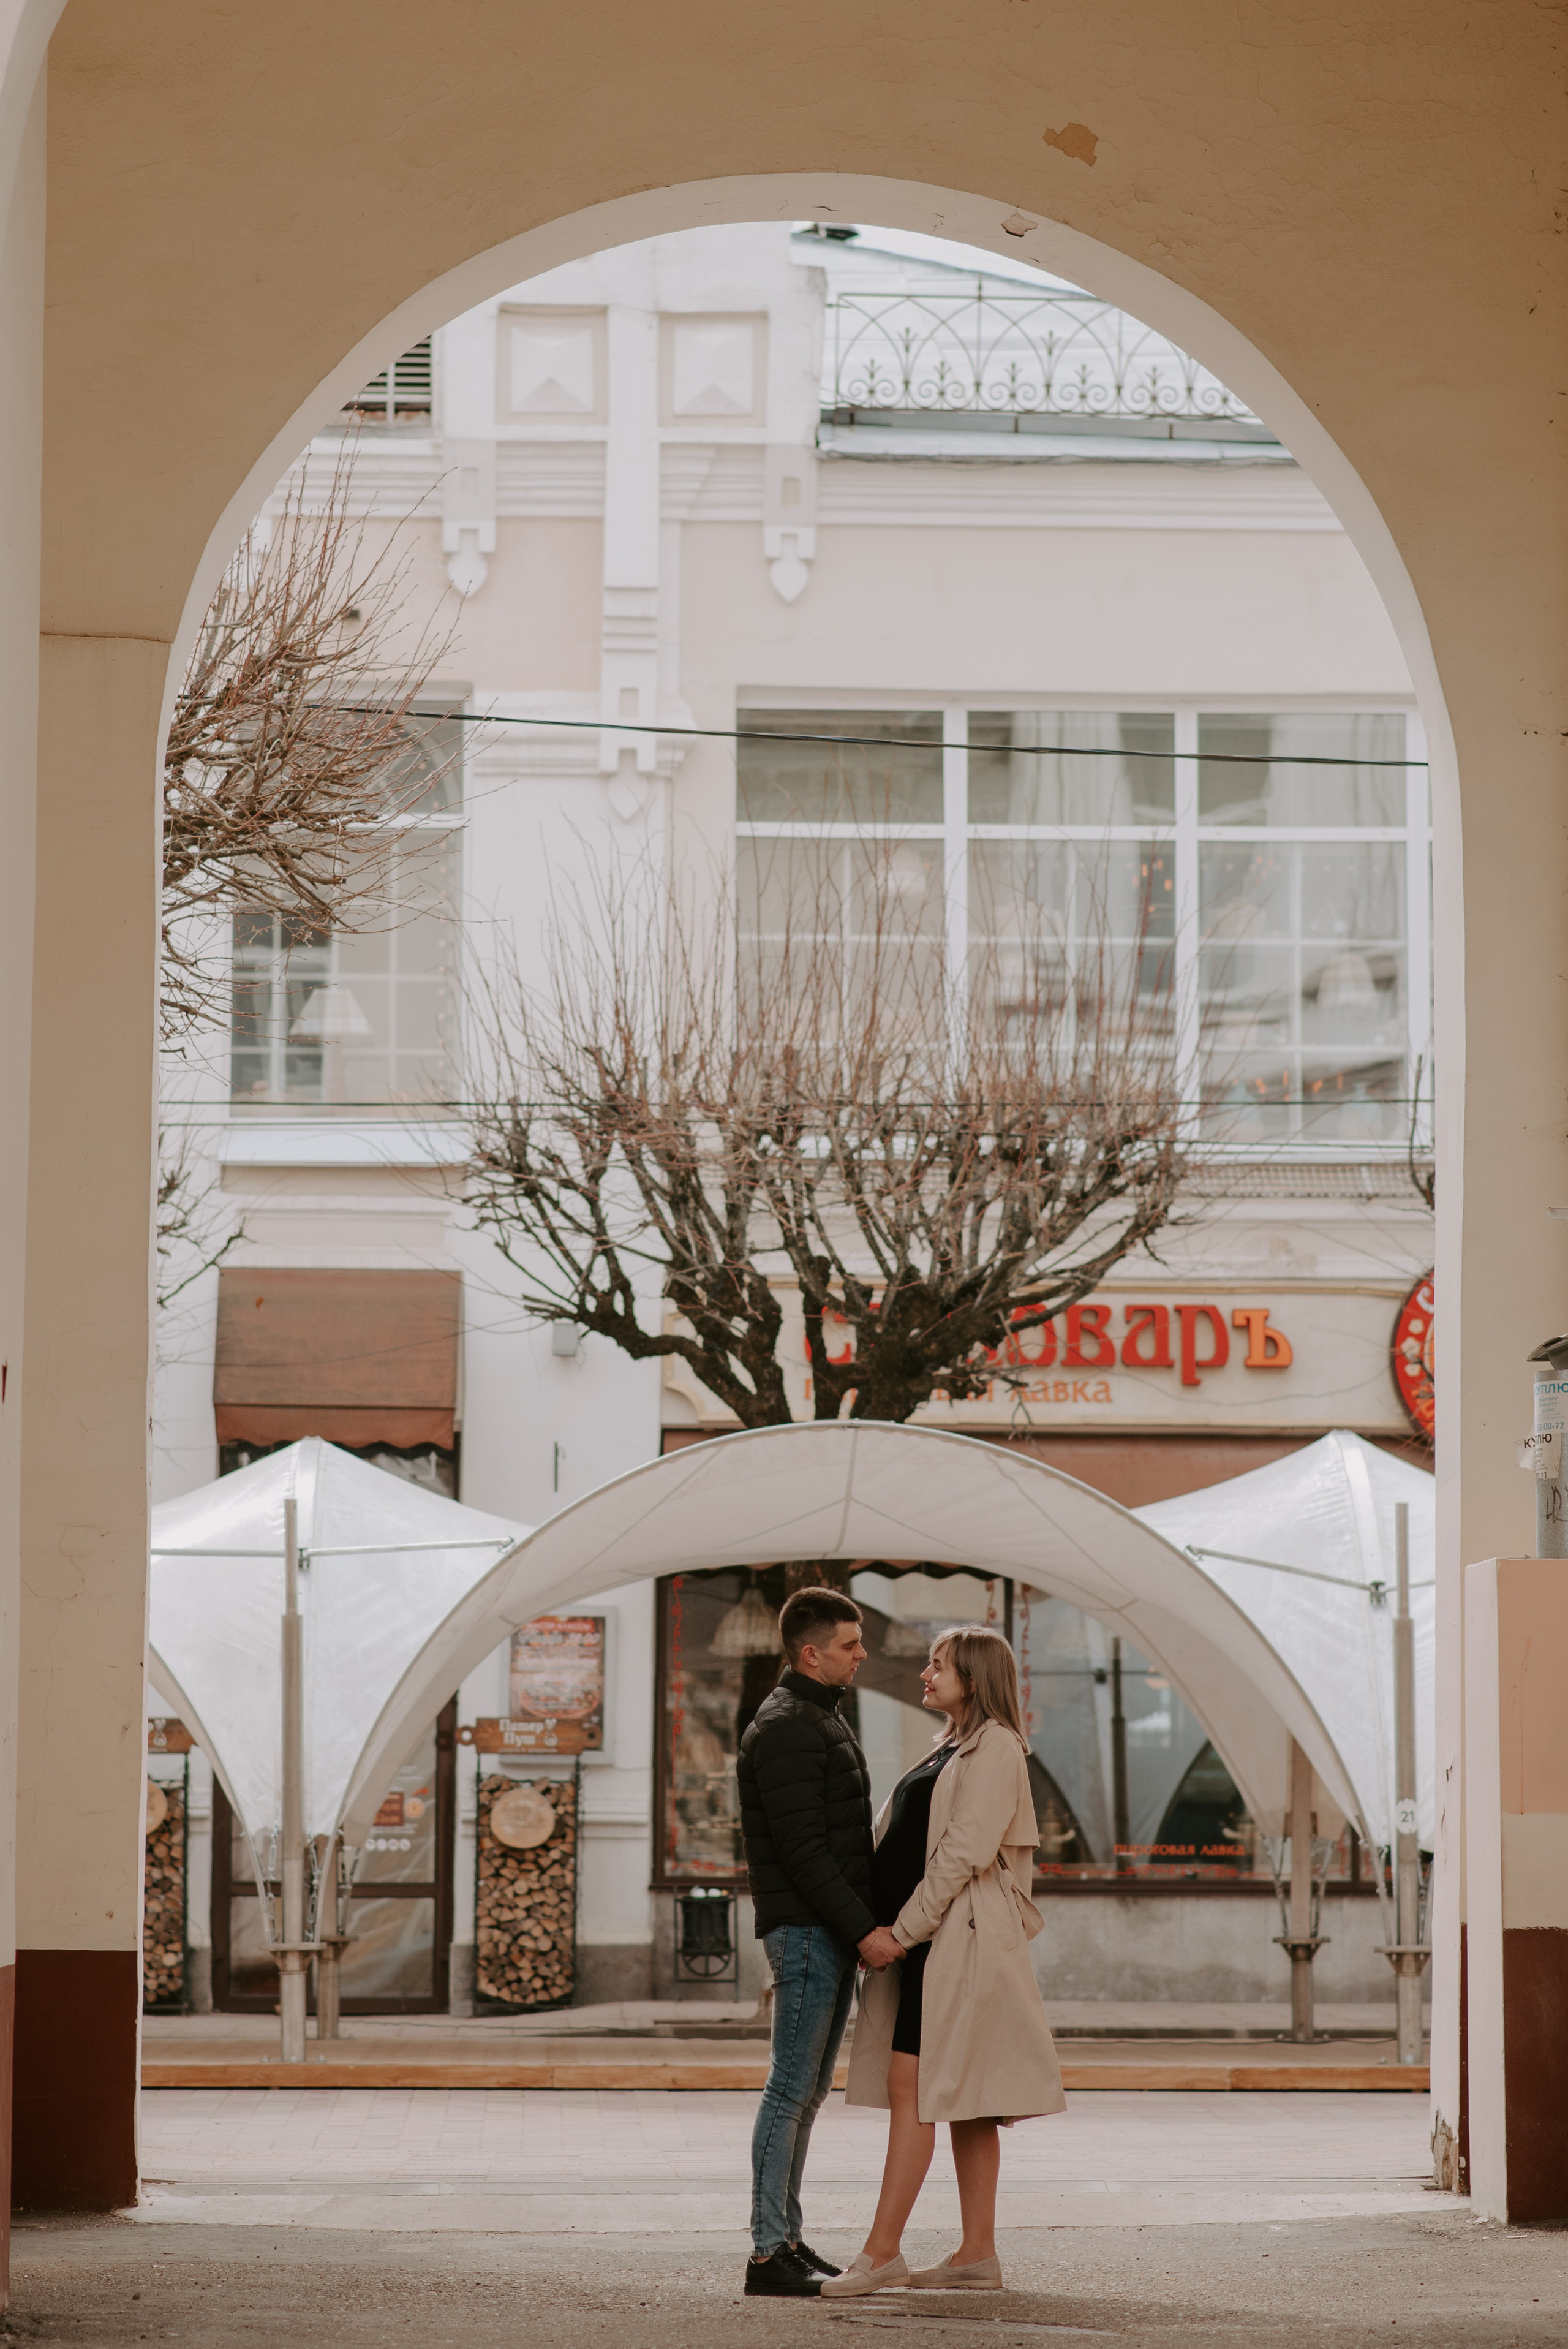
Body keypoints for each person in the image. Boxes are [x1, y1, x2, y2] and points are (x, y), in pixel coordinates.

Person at [826, 1625, 1065, 2298]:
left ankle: (880, 2254)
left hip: (949, 1941)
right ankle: (976, 2255)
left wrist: (900, 1931)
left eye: (939, 1666)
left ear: (975, 1677)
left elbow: (962, 1852)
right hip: (928, 1942)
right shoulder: (951, 1747)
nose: (926, 1674)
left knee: (916, 2090)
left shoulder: (995, 1749)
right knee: (967, 2102)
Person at [736, 1585, 903, 2299]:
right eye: (848, 1644)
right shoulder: (788, 1727)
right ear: (811, 1652)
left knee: (803, 2094)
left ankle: (788, 2241)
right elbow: (806, 1853)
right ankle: (769, 2250)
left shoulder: (814, 1718)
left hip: (820, 1929)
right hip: (808, 1931)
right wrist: (863, 1930)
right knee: (788, 2091)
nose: (861, 1654)